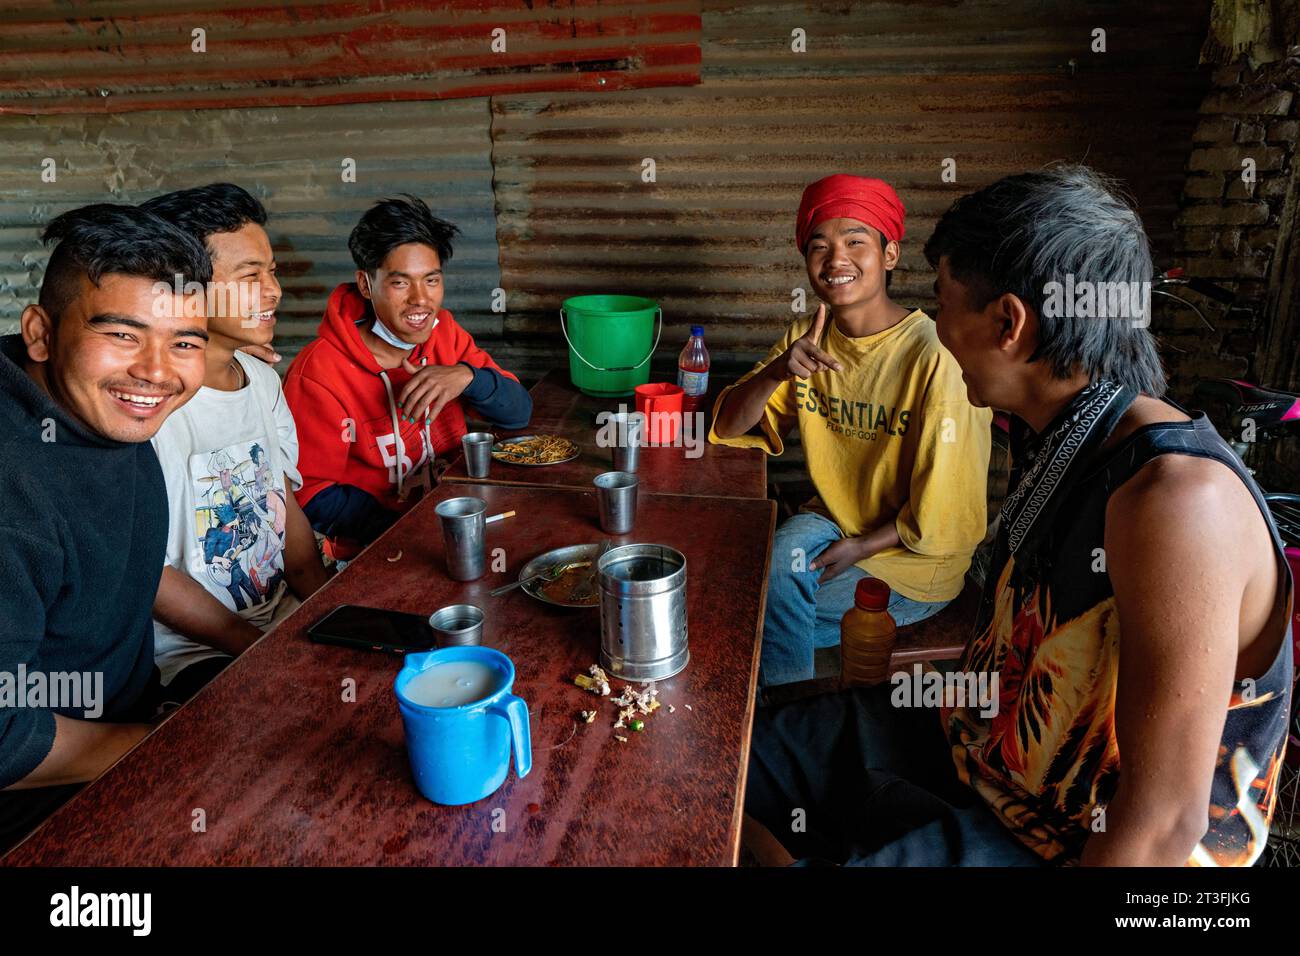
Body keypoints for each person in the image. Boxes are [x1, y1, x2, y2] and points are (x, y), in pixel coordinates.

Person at [744, 165, 1293, 866]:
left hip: (1068, 834)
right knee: (739, 761)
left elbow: (1159, 830)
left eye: (942, 303)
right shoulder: (1066, 433)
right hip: (988, 740)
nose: (936, 328)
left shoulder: (1177, 504)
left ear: (1008, 322)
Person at [710, 174, 992, 686]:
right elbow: (730, 426)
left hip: (915, 557)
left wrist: (862, 547)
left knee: (740, 611)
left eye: (856, 242)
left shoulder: (934, 355)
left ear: (889, 255)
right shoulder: (807, 336)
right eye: (819, 246)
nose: (836, 260)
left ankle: (788, 730)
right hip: (836, 524)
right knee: (747, 586)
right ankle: (785, 698)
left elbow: (946, 511)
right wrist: (777, 372)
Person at [0, 204, 210, 852]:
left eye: (185, 342)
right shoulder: (14, 485)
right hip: (41, 817)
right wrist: (162, 747)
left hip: (134, 729)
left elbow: (121, 573)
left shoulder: (102, 417)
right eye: (123, 334)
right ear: (40, 332)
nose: (156, 371)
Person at [140, 184, 330, 702]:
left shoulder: (262, 380)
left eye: (272, 272)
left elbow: (280, 505)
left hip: (283, 619)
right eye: (250, 276)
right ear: (186, 287)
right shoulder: (148, 406)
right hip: (196, 652)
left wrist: (329, 608)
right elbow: (150, 575)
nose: (273, 292)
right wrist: (260, 647)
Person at [284, 195, 531, 556]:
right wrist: (412, 533)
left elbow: (518, 412)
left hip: (460, 523)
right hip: (378, 550)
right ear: (366, 285)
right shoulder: (318, 372)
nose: (421, 300)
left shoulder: (444, 331)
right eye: (400, 283)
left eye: (431, 280)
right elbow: (310, 492)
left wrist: (467, 377)